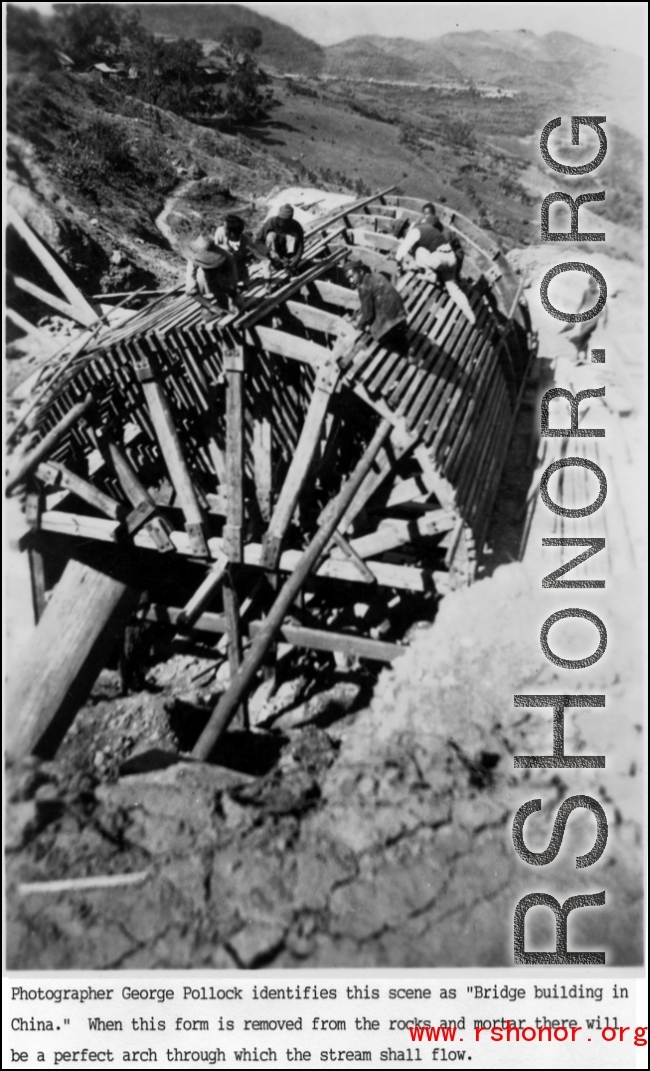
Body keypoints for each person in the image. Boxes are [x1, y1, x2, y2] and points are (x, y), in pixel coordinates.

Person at [395, 204, 476, 326]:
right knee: (454, 289)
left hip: (440, 259)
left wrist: (398, 262)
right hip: (451, 259)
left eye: (401, 235)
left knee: (418, 252)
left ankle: (431, 275)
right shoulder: (425, 226)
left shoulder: (414, 232)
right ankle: (471, 316)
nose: (403, 237)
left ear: (404, 230)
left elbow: (403, 249)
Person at [346, 258, 411, 354]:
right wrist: (357, 315)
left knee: (382, 340)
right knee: (400, 340)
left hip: (390, 324)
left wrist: (359, 325)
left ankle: (401, 355)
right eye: (348, 279)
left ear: (360, 271)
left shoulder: (363, 287)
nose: (351, 280)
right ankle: (407, 348)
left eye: (352, 276)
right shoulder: (377, 276)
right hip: (401, 315)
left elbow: (368, 314)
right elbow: (369, 303)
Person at [182, 234, 242, 312]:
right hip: (206, 278)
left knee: (235, 300)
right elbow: (191, 290)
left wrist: (234, 296)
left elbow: (233, 279)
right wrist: (210, 306)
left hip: (224, 272)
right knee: (203, 279)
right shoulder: (193, 261)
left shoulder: (226, 256)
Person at [213, 213, 266, 287]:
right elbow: (215, 248)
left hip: (239, 264)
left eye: (225, 228)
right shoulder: (220, 232)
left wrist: (266, 259)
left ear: (232, 233)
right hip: (223, 264)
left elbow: (256, 250)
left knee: (242, 278)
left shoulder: (245, 239)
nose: (223, 228)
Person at [257, 204, 305, 277]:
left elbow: (300, 246)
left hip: (287, 255)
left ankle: (287, 263)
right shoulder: (271, 222)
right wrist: (270, 251)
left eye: (287, 221)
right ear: (278, 218)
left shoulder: (296, 226)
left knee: (292, 236)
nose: (285, 224)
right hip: (273, 255)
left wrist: (296, 259)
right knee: (271, 235)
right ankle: (275, 263)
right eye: (283, 221)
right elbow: (257, 242)